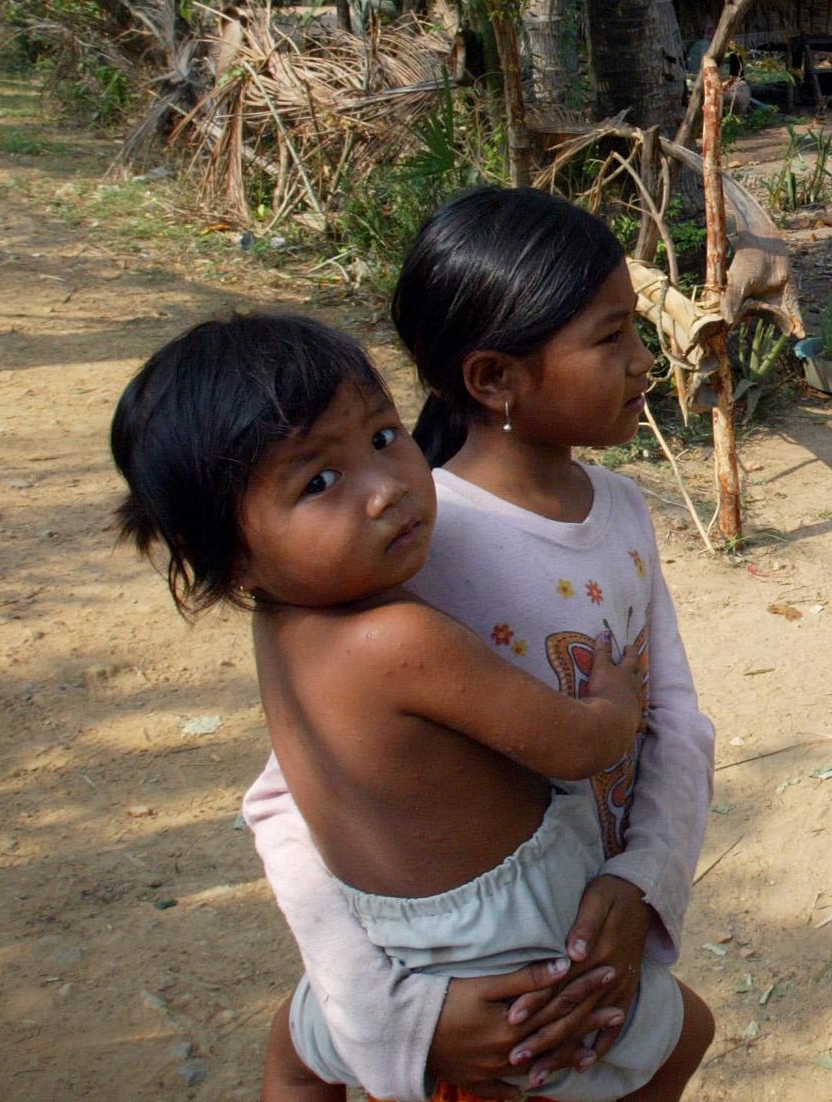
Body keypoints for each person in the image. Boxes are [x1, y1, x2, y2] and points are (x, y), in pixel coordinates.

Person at [110, 311, 691, 1102]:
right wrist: (617, 702)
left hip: (388, 939)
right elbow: (574, 745)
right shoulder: (399, 637)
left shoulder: (282, 631)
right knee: (684, 1031)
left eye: (384, 437)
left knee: (298, 1045)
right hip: (511, 937)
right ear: (234, 557)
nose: (385, 489)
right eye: (319, 481)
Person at [243, 187, 717, 1102]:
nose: (643, 360)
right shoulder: (418, 543)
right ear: (495, 378)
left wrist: (644, 880)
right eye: (610, 336)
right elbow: (294, 800)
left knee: (669, 1041)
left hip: (585, 931)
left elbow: (673, 715)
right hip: (471, 976)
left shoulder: (622, 510)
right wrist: (394, 1016)